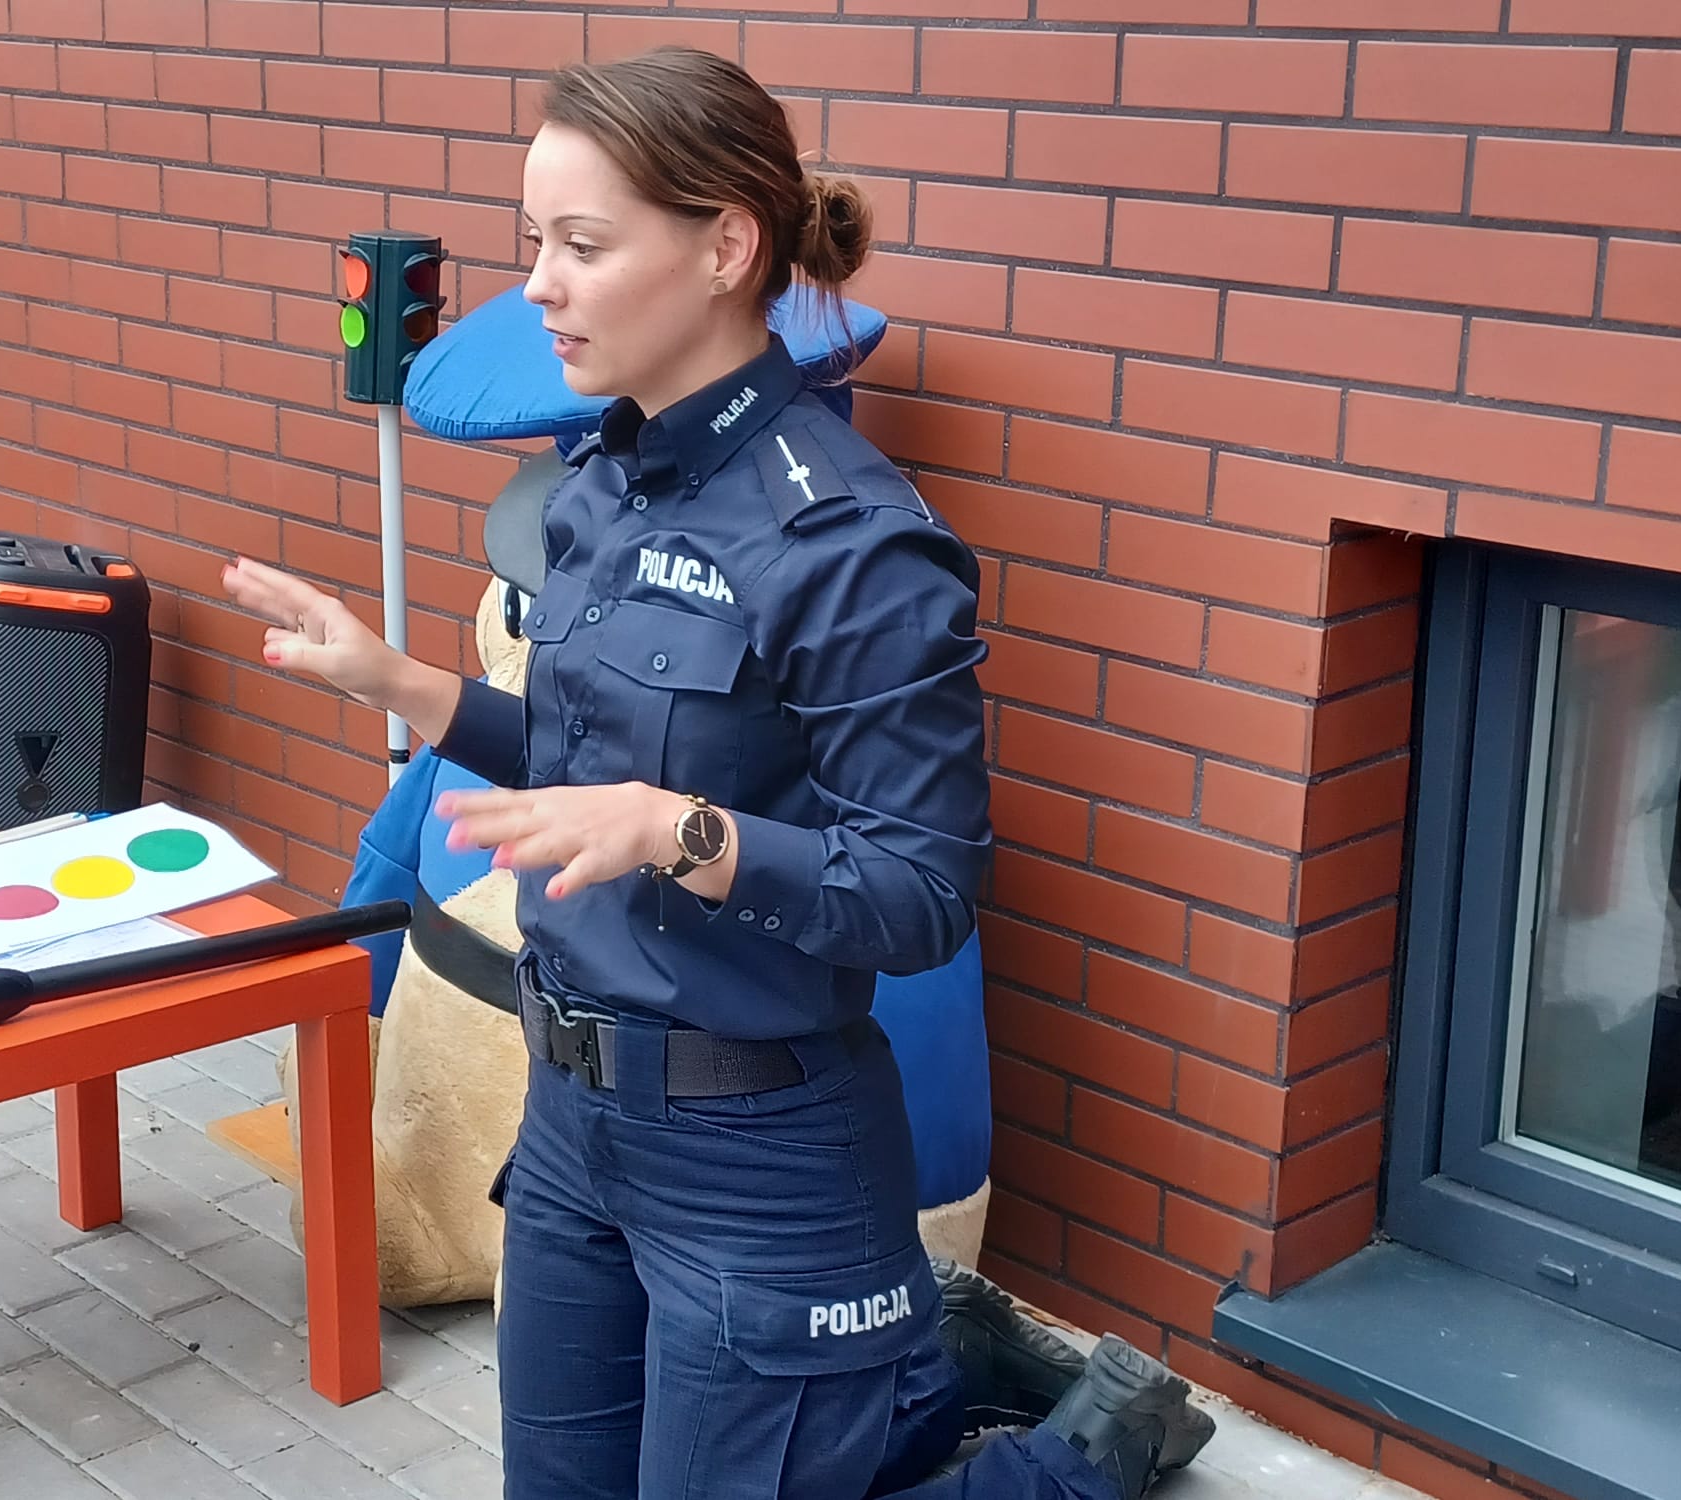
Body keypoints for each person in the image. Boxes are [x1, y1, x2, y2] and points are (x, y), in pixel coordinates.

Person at [226, 45, 1208, 1500]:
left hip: (762, 1160)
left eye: (581, 245)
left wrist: (681, 832)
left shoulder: (855, 547)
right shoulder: (605, 483)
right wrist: (402, 684)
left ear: (724, 249)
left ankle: (1084, 1454)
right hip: (573, 1125)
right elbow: (579, 771)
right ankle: (940, 1381)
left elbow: (920, 896)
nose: (538, 286)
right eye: (531, 241)